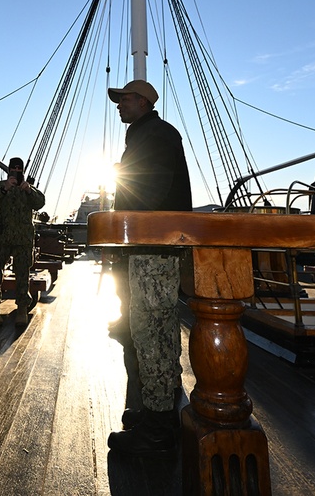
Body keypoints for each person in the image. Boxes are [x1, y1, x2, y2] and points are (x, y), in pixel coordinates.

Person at [103, 79, 192, 455]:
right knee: (156, 328)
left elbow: (148, 193)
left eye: (124, 99)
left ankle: (157, 429)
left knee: (152, 331)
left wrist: (124, 226)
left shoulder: (154, 136)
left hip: (153, 248)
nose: (119, 105)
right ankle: (161, 412)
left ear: (143, 101)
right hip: (150, 248)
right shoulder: (148, 134)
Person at [0, 157, 46, 326]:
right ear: (8, 170)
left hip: (22, 239)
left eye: (19, 169)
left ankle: (22, 309)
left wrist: (29, 190)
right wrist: (4, 188)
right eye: (13, 169)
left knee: (23, 274)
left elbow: (40, 203)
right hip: (0, 238)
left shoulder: (28, 189)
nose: (16, 171)